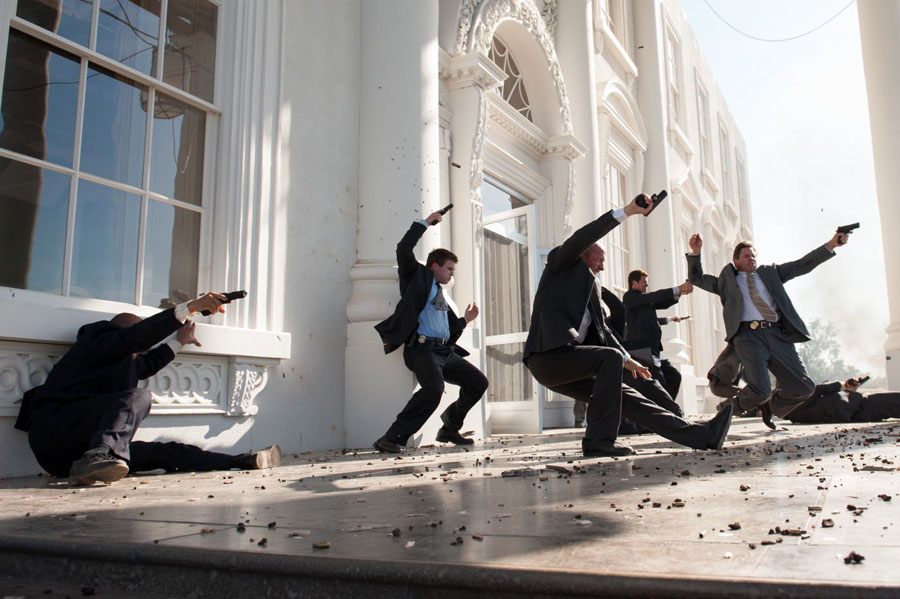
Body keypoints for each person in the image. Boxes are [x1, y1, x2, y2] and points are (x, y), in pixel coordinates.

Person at [524, 194, 732, 457]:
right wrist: (628, 211)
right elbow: (584, 235)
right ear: (583, 254)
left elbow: (604, 330)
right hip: (546, 357)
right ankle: (599, 441)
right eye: (599, 259)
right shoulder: (560, 264)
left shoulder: (591, 289)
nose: (603, 266)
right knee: (609, 359)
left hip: (570, 364)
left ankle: (701, 436)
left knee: (627, 396)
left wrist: (627, 359)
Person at [14, 293, 282, 485]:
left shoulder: (128, 363)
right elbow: (133, 338)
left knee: (165, 453)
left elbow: (150, 362)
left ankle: (240, 461)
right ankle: (98, 456)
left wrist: (180, 341)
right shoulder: (96, 339)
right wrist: (189, 308)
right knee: (139, 397)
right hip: (53, 435)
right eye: (137, 342)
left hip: (74, 458)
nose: (139, 351)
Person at [686, 231, 850, 426]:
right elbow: (697, 278)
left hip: (777, 335)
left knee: (804, 387)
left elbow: (802, 265)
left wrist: (831, 244)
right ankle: (723, 414)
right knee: (760, 389)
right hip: (748, 337)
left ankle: (770, 407)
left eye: (753, 255)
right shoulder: (726, 282)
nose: (751, 258)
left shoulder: (770, 274)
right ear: (736, 261)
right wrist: (696, 252)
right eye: (746, 256)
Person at [373, 210, 487, 453]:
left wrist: (465, 319)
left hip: (444, 351)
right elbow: (403, 249)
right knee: (433, 390)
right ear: (435, 266)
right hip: (422, 350)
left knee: (478, 382)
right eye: (449, 269)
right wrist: (425, 223)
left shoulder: (440, 294)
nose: (452, 274)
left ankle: (450, 427)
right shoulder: (416, 277)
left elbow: (446, 328)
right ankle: (392, 437)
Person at [573, 287, 684, 429]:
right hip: (603, 371)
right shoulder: (583, 332)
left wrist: (597, 287)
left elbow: (618, 308)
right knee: (589, 384)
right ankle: (584, 420)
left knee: (669, 374)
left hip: (627, 365)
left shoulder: (614, 324)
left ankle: (673, 417)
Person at [623, 269, 693, 400]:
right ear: (634, 283)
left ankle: (665, 407)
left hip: (653, 351)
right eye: (644, 282)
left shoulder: (643, 301)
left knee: (674, 376)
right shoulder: (630, 297)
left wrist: (680, 293)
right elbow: (654, 296)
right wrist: (677, 288)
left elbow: (662, 302)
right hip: (641, 351)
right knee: (659, 382)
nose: (647, 284)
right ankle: (664, 409)